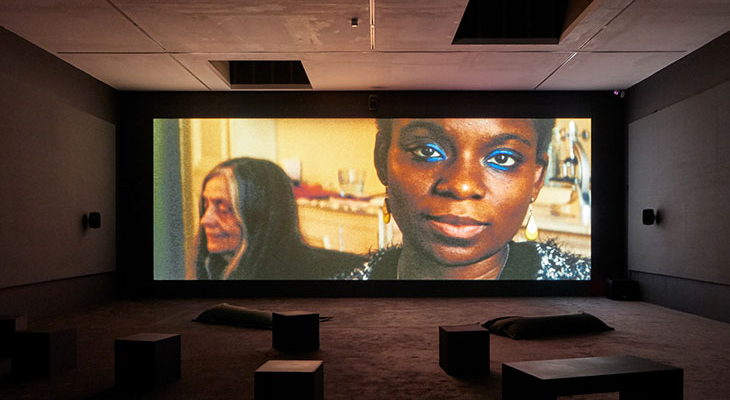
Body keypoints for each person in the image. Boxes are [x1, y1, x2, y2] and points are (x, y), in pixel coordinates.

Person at [339, 118, 590, 280]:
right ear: (382, 160)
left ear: (536, 179)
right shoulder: (342, 298)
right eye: (427, 151)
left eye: (503, 159)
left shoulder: (578, 280)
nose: (461, 186)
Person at [188, 157, 364, 280]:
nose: (205, 220)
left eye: (224, 208)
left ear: (261, 217)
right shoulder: (214, 268)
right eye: (206, 205)